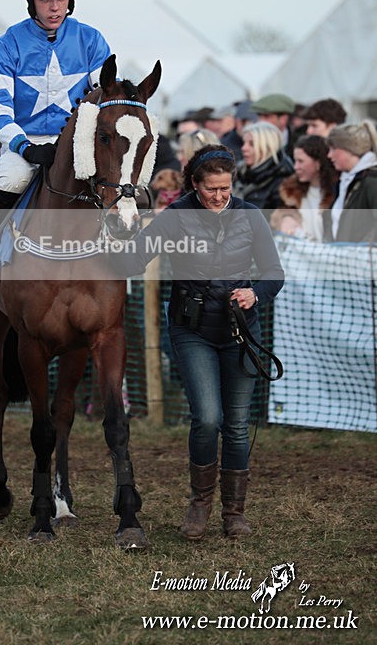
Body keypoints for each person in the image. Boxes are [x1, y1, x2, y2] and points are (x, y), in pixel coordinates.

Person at [110, 144, 284, 539]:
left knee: (237, 425)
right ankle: (199, 504)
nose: (219, 196)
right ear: (194, 183)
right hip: (192, 330)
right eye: (211, 189)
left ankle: (234, 512)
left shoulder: (251, 216)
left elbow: (274, 272)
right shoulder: (175, 217)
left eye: (225, 189)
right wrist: (113, 239)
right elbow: (134, 260)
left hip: (241, 330)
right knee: (207, 419)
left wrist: (255, 293)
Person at [0, 0, 112, 279]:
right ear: (30, 1)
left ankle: (123, 253)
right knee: (10, 178)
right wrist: (23, 146)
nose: (54, 6)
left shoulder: (91, 40)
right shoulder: (8, 45)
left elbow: (106, 96)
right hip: (26, 143)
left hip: (76, 145)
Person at [270, 135, 338, 242]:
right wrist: (285, 219)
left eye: (301, 161)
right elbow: (281, 213)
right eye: (295, 161)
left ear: (318, 163)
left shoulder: (337, 192)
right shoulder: (290, 190)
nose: (296, 167)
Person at [326, 120, 377, 242]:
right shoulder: (345, 181)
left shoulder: (372, 182)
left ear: (350, 149)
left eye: (333, 149)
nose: (329, 155)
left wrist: (362, 249)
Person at [235, 121, 294, 219]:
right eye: (244, 143)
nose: (244, 148)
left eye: (252, 144)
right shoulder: (239, 175)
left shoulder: (282, 181)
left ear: (268, 147)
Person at [251, 93, 297, 157]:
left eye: (266, 116)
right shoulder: (250, 142)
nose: (260, 121)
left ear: (283, 119)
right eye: (259, 116)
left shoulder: (298, 144)